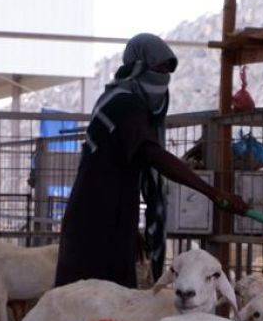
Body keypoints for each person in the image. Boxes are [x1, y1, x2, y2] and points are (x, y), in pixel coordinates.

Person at [55, 33, 248, 288]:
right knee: (88, 301)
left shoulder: (129, 103)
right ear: (137, 66)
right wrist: (213, 193)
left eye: (168, 70)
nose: (163, 77)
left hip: (112, 220)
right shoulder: (124, 104)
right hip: (94, 225)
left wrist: (126, 227)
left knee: (111, 304)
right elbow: (152, 154)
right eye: (158, 68)